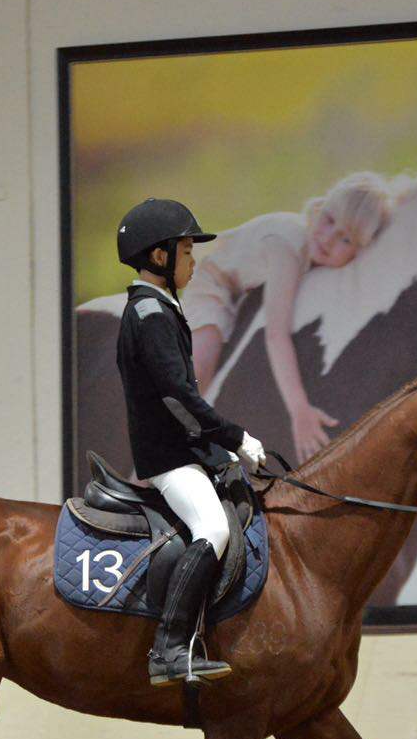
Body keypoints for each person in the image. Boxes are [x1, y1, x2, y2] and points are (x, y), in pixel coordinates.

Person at [114, 197, 267, 688]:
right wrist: (234, 437)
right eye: (185, 250)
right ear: (159, 257)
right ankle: (170, 649)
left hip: (185, 450)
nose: (193, 260)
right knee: (213, 528)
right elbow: (177, 398)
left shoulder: (159, 308)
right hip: (168, 457)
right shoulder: (151, 314)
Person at [185, 172, 393, 460]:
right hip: (213, 281)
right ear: (319, 209)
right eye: (330, 221)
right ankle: (153, 459)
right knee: (199, 370)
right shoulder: (288, 247)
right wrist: (299, 411)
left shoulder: (312, 252)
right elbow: (276, 334)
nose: (329, 239)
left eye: (345, 238)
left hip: (245, 293)